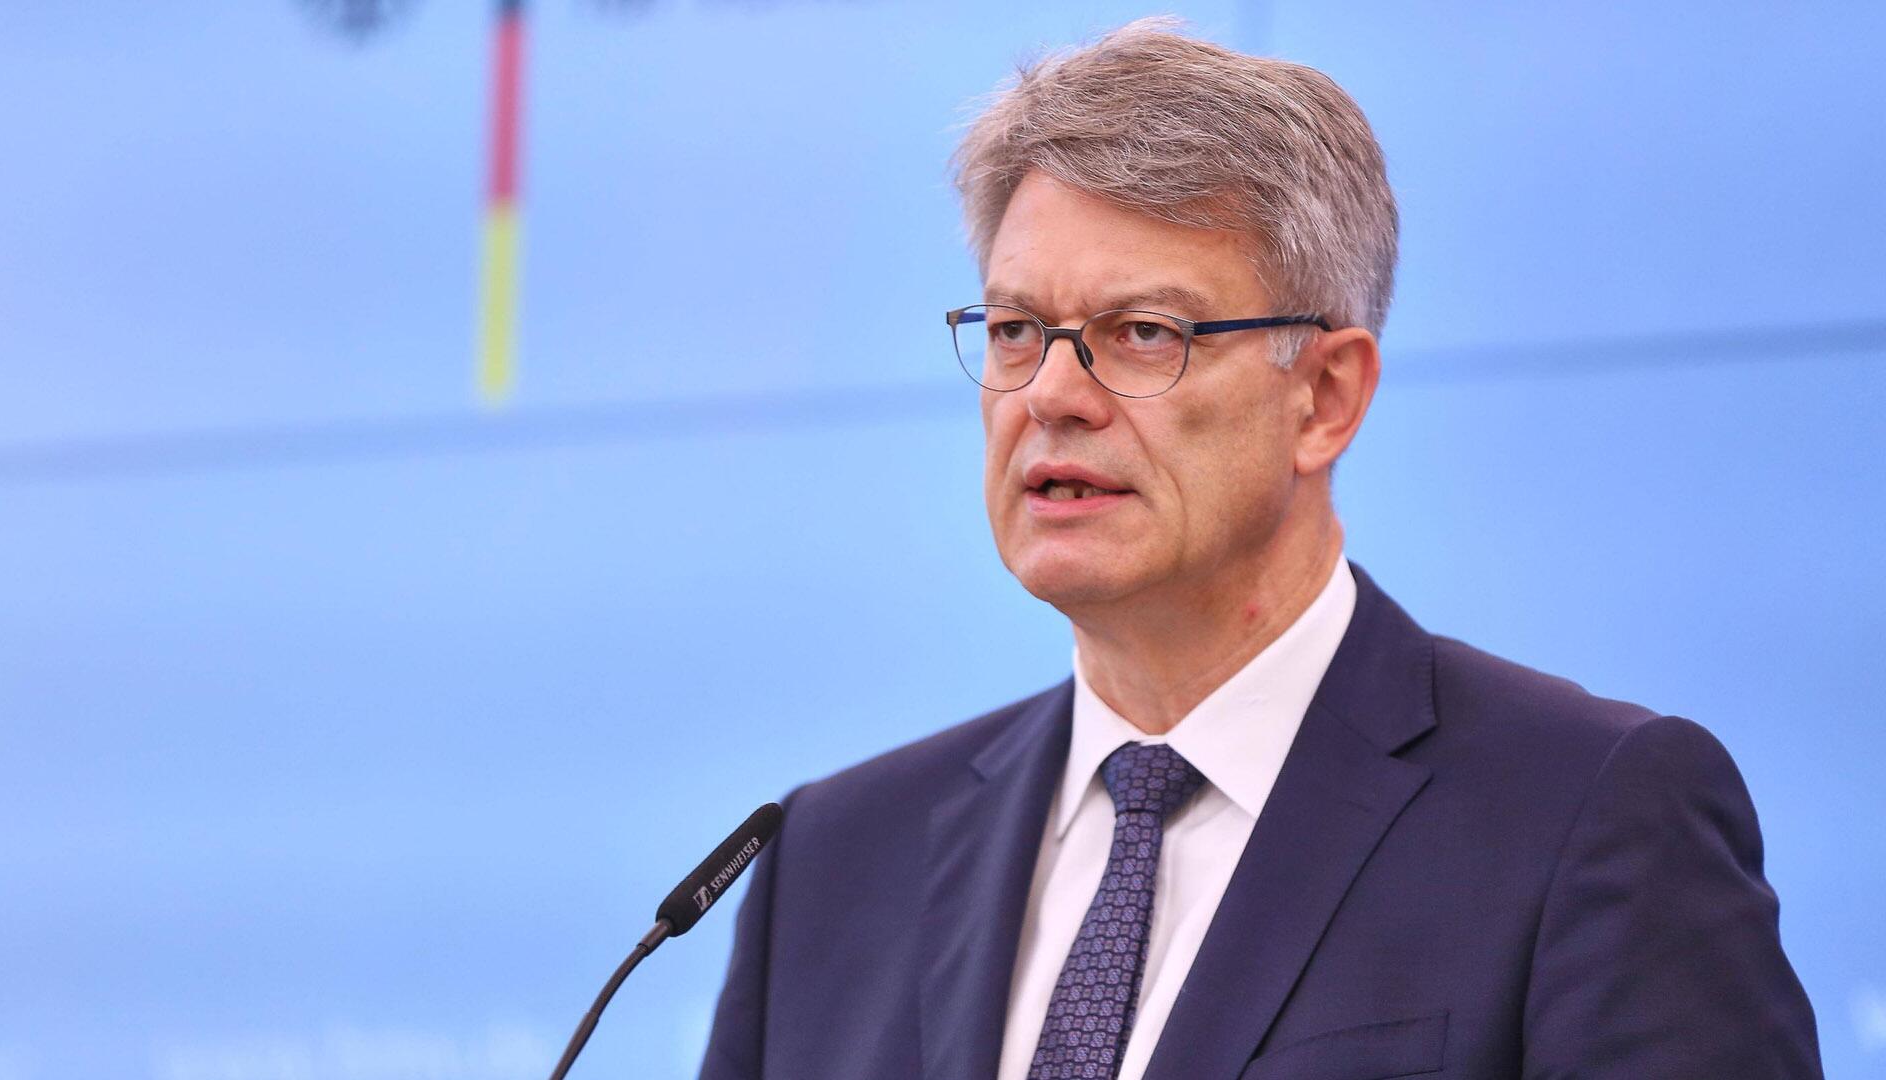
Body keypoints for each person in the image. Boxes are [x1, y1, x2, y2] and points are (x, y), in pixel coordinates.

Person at [698, 19, 1821, 1080]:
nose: (1049, 394)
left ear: (1325, 397)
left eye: (1144, 333)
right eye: (1016, 330)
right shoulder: (831, 864)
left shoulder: (1586, 816)